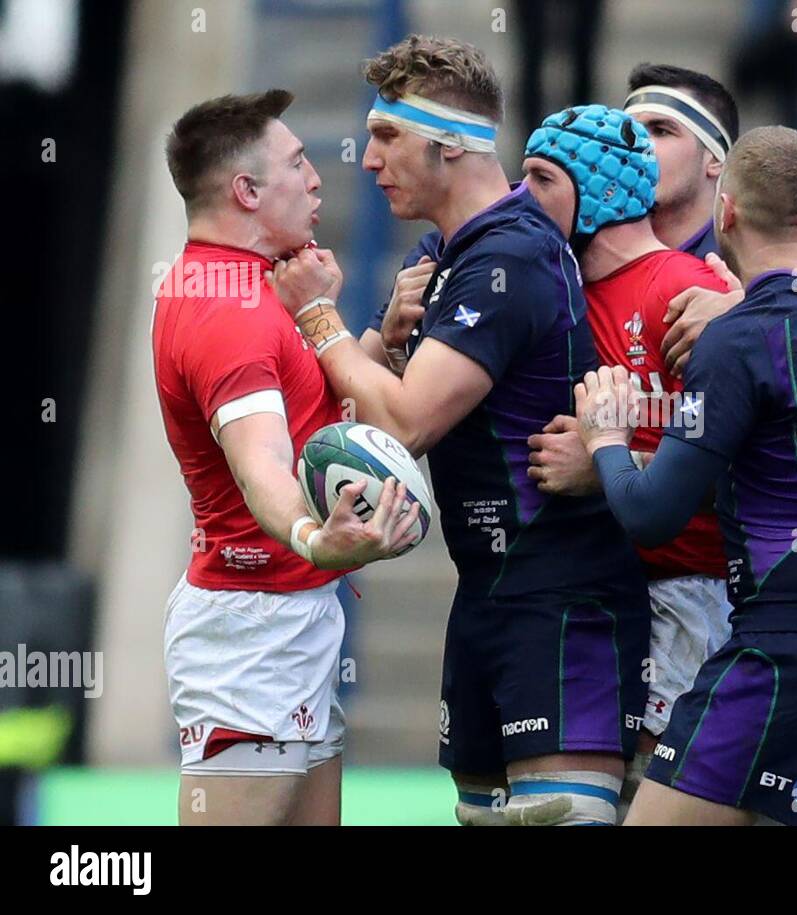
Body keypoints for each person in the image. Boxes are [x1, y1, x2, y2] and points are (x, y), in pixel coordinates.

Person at [268, 35, 650, 827]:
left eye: (387, 136)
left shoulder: (509, 255)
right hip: (486, 593)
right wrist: (377, 336)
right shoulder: (445, 253)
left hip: (560, 595)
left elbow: (404, 421)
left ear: (449, 144)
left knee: (560, 819)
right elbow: (354, 416)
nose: (368, 160)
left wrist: (316, 316)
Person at [576, 126, 797, 826]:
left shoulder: (739, 339)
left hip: (784, 649)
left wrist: (607, 437)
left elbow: (649, 513)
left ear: (723, 212)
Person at [153, 89, 419, 826]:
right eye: (297, 163)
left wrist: (378, 340)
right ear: (246, 190)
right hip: (252, 629)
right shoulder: (227, 310)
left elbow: (307, 422)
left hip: (291, 614)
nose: (317, 178)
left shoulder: (251, 284)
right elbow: (261, 461)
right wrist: (313, 536)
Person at [520, 104, 734, 819]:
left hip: (692, 594)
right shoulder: (558, 290)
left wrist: (608, 463)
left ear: (599, 190)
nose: (523, 198)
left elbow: (746, 466)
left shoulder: (684, 295)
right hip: (607, 598)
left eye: (541, 178)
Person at [624, 63, 739, 258]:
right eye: (628, 132)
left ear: (715, 160)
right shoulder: (583, 264)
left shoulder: (751, 273)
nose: (636, 145)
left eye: (661, 131)